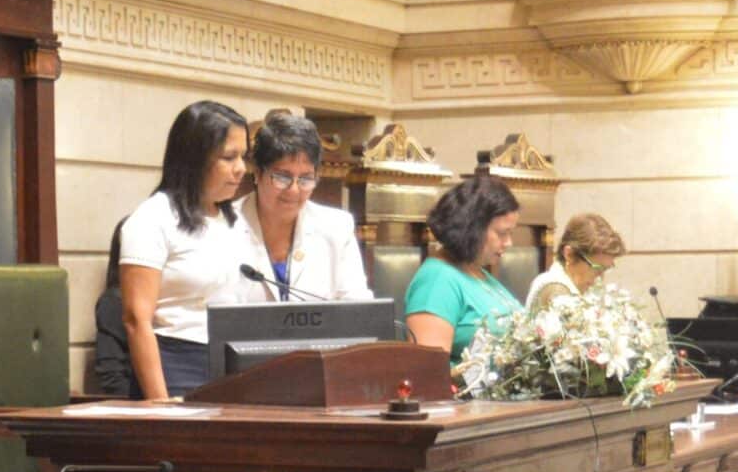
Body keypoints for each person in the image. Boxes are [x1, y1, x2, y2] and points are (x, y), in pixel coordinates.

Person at [118, 101, 262, 398]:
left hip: (232, 362)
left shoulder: (235, 219)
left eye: (243, 157)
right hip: (174, 363)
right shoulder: (153, 218)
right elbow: (136, 320)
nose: (241, 169)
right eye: (229, 157)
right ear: (194, 158)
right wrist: (159, 403)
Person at [239, 109, 372, 303]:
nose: (294, 190)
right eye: (282, 177)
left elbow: (358, 306)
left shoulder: (337, 227)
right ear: (258, 173)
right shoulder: (223, 226)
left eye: (305, 179)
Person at [403, 175, 523, 361]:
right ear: (472, 229)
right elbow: (428, 369)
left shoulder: (477, 271)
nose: (508, 243)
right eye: (502, 233)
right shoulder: (437, 280)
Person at [528, 212, 627, 310]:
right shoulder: (556, 290)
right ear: (569, 255)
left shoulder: (577, 288)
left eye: (605, 269)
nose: (599, 279)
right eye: (596, 269)